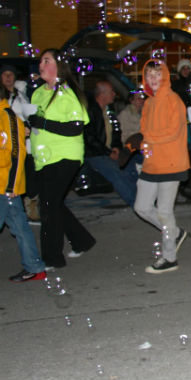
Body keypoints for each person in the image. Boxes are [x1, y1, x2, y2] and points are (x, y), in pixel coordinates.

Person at [29, 48, 96, 268]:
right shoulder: (38, 93)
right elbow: (36, 123)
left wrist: (43, 124)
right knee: (54, 203)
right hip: (43, 158)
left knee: (48, 206)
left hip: (66, 157)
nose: (41, 64)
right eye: (40, 60)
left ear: (58, 66)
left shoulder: (67, 94)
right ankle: (82, 241)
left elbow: (75, 128)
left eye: (46, 60)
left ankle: (52, 258)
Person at [135, 59, 189, 274]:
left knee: (165, 211)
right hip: (152, 163)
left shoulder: (174, 100)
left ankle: (169, 258)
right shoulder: (148, 103)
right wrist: (140, 143)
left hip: (172, 162)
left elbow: (172, 132)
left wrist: (145, 137)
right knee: (141, 207)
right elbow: (144, 131)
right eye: (149, 75)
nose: (153, 79)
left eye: (157, 74)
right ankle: (174, 232)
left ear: (165, 76)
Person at [0, 87, 47, 282]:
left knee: (19, 225)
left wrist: (11, 186)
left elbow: (17, 153)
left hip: (4, 185)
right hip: (5, 185)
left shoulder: (7, 116)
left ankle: (34, 267)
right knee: (19, 226)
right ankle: (34, 267)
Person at [84, 80, 138, 207]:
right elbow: (90, 139)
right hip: (95, 154)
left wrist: (116, 147)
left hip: (108, 151)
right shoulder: (91, 111)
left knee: (130, 168)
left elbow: (116, 131)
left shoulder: (108, 110)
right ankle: (135, 202)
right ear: (102, 94)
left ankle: (142, 200)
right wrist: (109, 153)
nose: (114, 94)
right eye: (111, 92)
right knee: (115, 173)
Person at [1, 64, 40, 222]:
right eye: (5, 74)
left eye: (11, 74)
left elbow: (30, 112)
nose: (8, 77)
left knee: (30, 174)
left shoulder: (22, 92)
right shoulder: (2, 97)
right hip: (8, 145)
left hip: (27, 143)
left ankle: (30, 205)